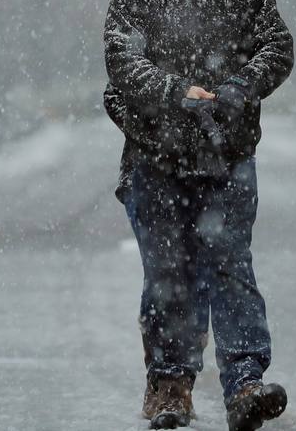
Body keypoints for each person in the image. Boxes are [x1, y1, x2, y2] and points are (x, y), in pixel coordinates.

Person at [104, 0, 295, 431]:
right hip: (155, 158)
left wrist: (238, 87)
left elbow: (276, 49)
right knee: (169, 274)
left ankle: (245, 384)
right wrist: (175, 94)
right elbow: (122, 60)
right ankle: (169, 385)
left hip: (227, 156)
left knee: (232, 268)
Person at [103, 83, 212, 422]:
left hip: (207, 171)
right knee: (164, 272)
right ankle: (166, 381)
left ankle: (179, 381)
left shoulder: (218, 40)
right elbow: (114, 94)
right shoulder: (148, 37)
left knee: (195, 276)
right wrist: (158, 129)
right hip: (148, 172)